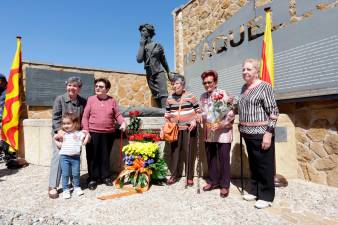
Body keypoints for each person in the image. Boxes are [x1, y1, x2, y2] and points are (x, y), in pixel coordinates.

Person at [238, 58, 279, 209]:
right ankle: (255, 190)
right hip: (248, 133)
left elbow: (274, 112)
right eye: (243, 69)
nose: (245, 72)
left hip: (262, 133)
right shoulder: (244, 88)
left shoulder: (265, 87)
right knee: (254, 164)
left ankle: (267, 196)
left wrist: (268, 133)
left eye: (249, 69)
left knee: (264, 165)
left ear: (256, 71)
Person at [82, 78, 126, 190]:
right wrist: (86, 130)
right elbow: (85, 116)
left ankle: (105, 176)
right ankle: (93, 178)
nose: (97, 88)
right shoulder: (91, 99)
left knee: (105, 156)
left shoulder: (112, 100)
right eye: (96, 86)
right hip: (93, 133)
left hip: (108, 133)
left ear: (107, 89)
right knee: (92, 156)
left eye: (101, 86)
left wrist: (123, 122)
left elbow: (117, 115)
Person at [48, 77, 87, 199]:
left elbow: (84, 118)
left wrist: (85, 131)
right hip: (61, 134)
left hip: (75, 135)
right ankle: (53, 186)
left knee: (74, 158)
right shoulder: (60, 99)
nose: (72, 88)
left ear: (79, 88)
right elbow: (55, 117)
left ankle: (73, 184)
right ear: (66, 86)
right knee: (58, 158)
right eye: (70, 85)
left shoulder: (82, 101)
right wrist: (59, 132)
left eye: (75, 86)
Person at [199, 70, 235, 198]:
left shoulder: (223, 94)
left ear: (215, 82)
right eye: (205, 83)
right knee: (211, 158)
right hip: (209, 132)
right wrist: (199, 115)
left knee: (224, 159)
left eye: (209, 82)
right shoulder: (202, 96)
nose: (207, 85)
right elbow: (203, 112)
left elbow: (230, 113)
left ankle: (225, 185)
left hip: (222, 132)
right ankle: (214, 181)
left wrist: (220, 124)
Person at [164, 74, 200, 186]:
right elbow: (167, 114)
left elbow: (199, 111)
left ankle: (189, 177)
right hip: (176, 129)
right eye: (173, 84)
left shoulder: (191, 96)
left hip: (189, 129)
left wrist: (194, 121)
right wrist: (169, 122)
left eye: (176, 83)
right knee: (174, 152)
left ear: (182, 85)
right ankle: (174, 175)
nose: (174, 86)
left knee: (189, 152)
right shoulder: (169, 99)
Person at [136, 23, 171, 108]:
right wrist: (141, 45)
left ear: (149, 32)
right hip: (149, 75)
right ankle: (160, 115)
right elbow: (139, 60)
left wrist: (168, 72)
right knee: (156, 95)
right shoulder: (142, 47)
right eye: (141, 31)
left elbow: (163, 61)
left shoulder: (157, 45)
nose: (141, 32)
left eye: (144, 30)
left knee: (163, 94)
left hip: (159, 72)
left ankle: (165, 115)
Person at [56, 113, 90, 199]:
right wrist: (55, 138)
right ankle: (65, 189)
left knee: (76, 174)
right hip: (64, 157)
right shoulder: (63, 134)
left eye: (68, 123)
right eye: (64, 124)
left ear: (74, 123)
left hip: (75, 158)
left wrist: (87, 135)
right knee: (65, 174)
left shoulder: (79, 134)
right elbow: (59, 145)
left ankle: (77, 187)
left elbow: (85, 143)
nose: (66, 125)